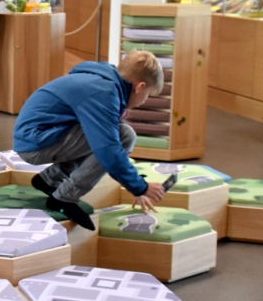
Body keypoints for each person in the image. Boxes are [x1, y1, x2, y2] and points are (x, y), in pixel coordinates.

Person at [12, 51, 167, 230]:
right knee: (122, 137)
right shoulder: (104, 92)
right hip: (34, 143)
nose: (143, 101)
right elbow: (109, 151)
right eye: (147, 95)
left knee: (117, 133)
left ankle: (49, 179)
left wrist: (137, 185)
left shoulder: (104, 81)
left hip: (40, 134)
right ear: (139, 87)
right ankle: (63, 198)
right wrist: (140, 187)